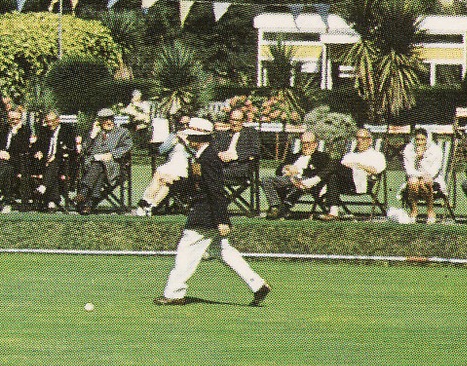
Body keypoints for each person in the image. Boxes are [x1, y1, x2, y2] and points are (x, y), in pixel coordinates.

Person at [154, 117, 270, 307]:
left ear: (197, 138)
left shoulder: (208, 158)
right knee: (223, 251)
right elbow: (197, 185)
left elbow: (216, 191)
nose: (187, 138)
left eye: (190, 135)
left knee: (186, 251)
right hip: (207, 212)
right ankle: (257, 285)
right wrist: (174, 182)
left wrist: (223, 220)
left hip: (204, 214)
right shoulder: (201, 156)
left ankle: (174, 292)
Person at [259, 131, 334, 218]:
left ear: (315, 144)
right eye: (303, 143)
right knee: (266, 179)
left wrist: (298, 172)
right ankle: (275, 206)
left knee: (300, 183)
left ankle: (284, 207)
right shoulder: (294, 155)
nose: (306, 145)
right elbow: (278, 171)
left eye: (308, 143)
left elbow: (319, 173)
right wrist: (286, 168)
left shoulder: (321, 157)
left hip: (306, 181)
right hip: (288, 179)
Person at [319, 127, 387, 220]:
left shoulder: (377, 155)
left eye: (363, 139)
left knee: (334, 163)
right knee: (333, 175)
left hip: (363, 182)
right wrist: (352, 166)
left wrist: (359, 165)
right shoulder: (350, 155)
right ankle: (333, 212)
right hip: (345, 184)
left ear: (370, 141)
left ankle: (315, 180)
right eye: (357, 138)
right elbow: (340, 169)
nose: (359, 141)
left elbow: (376, 170)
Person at [77, 108, 132, 214]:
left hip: (114, 167)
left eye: (111, 119)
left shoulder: (123, 132)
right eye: (105, 119)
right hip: (93, 168)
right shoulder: (96, 133)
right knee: (99, 168)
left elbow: (126, 147)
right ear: (100, 121)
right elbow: (84, 150)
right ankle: (90, 204)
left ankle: (83, 193)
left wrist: (111, 155)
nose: (109, 122)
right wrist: (92, 136)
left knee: (100, 165)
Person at [0, 104, 38, 212]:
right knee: (6, 168)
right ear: (8, 118)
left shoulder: (25, 131)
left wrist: (14, 134)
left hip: (19, 162)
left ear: (21, 118)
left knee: (5, 166)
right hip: (2, 162)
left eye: (17, 119)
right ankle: (6, 201)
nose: (14, 121)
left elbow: (23, 149)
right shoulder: (2, 129)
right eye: (12, 119)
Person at [33, 109, 78, 210]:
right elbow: (36, 145)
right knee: (52, 171)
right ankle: (52, 201)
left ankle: (44, 187)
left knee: (54, 164)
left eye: (52, 121)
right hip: (45, 164)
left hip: (65, 165)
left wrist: (56, 156)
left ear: (58, 120)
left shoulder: (67, 130)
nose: (49, 124)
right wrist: (38, 151)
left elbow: (71, 148)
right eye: (47, 121)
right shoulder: (44, 131)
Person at [400, 128, 445, 224]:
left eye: (422, 140)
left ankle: (430, 210)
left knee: (424, 182)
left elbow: (436, 168)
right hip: (414, 178)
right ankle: (414, 210)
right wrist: (418, 159)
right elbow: (409, 169)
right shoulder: (409, 149)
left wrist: (422, 160)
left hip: (432, 179)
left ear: (427, 139)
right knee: (413, 182)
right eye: (417, 139)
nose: (420, 142)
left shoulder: (436, 150)